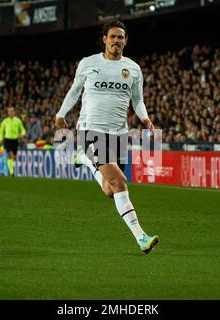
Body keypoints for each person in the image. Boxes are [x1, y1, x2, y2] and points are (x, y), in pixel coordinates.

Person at [54, 20, 159, 254]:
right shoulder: (89, 63)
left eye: (121, 37)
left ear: (126, 41)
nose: (116, 41)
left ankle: (83, 159)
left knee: (110, 189)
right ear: (104, 39)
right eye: (112, 36)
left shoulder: (133, 68)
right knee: (120, 182)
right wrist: (61, 114)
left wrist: (145, 118)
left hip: (119, 133)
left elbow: (137, 100)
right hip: (91, 130)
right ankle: (141, 237)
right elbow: (75, 91)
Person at [0, 106, 26, 177]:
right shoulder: (5, 121)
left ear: (14, 112)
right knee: (10, 155)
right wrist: (1, 139)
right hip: (7, 140)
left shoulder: (18, 120)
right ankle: (12, 172)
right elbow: (1, 130)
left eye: (12, 111)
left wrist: (22, 134)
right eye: (9, 111)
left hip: (15, 140)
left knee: (14, 157)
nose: (11, 112)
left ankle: (10, 167)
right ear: (8, 113)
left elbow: (22, 129)